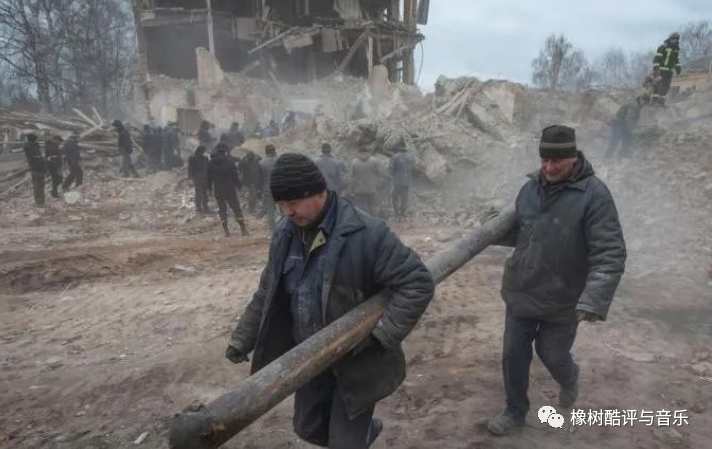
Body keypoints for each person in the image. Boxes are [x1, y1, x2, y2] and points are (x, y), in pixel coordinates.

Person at [225, 153, 435, 449]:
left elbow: (417, 282)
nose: (288, 212)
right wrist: (242, 337)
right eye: (282, 204)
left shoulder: (367, 233)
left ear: (319, 192)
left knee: (344, 442)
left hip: (356, 362)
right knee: (308, 428)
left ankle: (354, 438)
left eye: (293, 202)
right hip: (309, 358)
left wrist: (380, 336)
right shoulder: (285, 233)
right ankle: (364, 434)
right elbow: (267, 291)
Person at [487, 125, 626, 436]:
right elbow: (522, 232)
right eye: (544, 160)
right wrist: (492, 228)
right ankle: (514, 411)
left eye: (557, 161)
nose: (549, 168)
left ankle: (570, 378)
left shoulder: (594, 195)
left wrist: (594, 298)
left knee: (552, 354)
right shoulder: (530, 189)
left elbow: (610, 251)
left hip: (563, 297)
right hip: (523, 290)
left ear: (574, 158)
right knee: (513, 354)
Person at [208, 143, 248, 237]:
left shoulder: (210, 163)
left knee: (222, 209)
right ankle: (243, 230)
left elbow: (208, 178)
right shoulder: (229, 162)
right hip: (229, 188)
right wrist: (240, 187)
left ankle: (226, 231)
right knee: (236, 208)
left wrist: (209, 189)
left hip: (218, 189)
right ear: (225, 151)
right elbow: (235, 176)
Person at [652, 32, 682, 107]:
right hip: (660, 70)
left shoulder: (676, 49)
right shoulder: (663, 47)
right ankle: (655, 102)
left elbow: (676, 60)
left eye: (676, 39)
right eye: (673, 38)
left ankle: (661, 102)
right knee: (657, 86)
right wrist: (656, 69)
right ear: (670, 39)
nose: (674, 40)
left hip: (669, 71)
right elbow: (656, 59)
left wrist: (678, 67)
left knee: (666, 87)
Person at [387, 142, 416, 218]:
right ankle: (403, 212)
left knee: (394, 197)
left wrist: (393, 175)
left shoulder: (395, 156)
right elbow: (414, 168)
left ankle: (396, 212)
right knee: (404, 197)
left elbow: (390, 168)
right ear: (405, 148)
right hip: (406, 181)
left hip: (397, 181)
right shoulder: (410, 156)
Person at [350, 148, 380, 215]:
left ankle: (364, 219)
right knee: (372, 207)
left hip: (359, 190)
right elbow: (379, 174)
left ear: (358, 152)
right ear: (367, 152)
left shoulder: (354, 162)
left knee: (362, 209)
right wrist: (377, 186)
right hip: (371, 189)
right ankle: (372, 219)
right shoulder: (374, 161)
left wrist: (351, 189)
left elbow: (352, 177)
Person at [259, 144, 279, 231]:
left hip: (268, 190)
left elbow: (260, 178)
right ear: (274, 151)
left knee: (271, 211)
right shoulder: (279, 160)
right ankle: (285, 228)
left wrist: (260, 190)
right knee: (284, 210)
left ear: (266, 152)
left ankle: (272, 230)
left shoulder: (261, 163)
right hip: (280, 188)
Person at [237, 150, 263, 215]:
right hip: (251, 182)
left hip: (250, 181)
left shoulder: (245, 162)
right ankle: (251, 209)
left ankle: (251, 208)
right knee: (252, 195)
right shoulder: (254, 162)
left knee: (252, 195)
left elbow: (239, 168)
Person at [23, 133, 45, 207]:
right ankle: (40, 202)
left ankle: (39, 201)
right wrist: (43, 160)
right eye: (36, 139)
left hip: (34, 168)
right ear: (34, 140)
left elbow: (35, 158)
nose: (37, 141)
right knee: (39, 185)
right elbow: (37, 158)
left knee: (37, 185)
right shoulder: (33, 147)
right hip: (38, 168)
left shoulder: (29, 147)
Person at [188, 145, 210, 215]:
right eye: (203, 151)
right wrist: (190, 178)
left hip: (203, 177)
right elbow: (190, 169)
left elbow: (208, 168)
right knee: (199, 193)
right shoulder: (192, 158)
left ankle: (204, 208)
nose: (204, 152)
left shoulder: (205, 158)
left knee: (203, 193)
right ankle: (199, 208)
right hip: (198, 178)